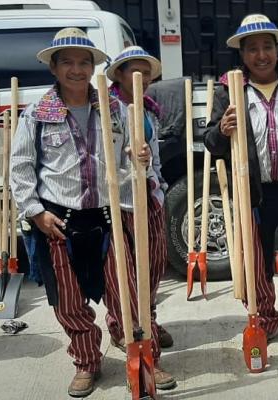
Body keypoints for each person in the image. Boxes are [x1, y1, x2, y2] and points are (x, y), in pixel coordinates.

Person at [10, 28, 175, 397]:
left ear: (94, 66)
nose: (76, 69)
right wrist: (36, 213)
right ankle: (87, 362)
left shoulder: (114, 108)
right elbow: (20, 168)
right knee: (69, 302)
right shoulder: (37, 113)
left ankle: (146, 356)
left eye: (84, 62)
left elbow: (134, 156)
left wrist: (140, 158)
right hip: (59, 222)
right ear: (53, 67)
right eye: (67, 62)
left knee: (129, 297)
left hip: (108, 219)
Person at [204, 14, 278, 347]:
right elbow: (212, 143)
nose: (261, 55)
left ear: (277, 48)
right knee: (254, 261)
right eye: (252, 48)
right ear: (242, 54)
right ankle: (264, 318)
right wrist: (221, 130)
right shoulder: (232, 90)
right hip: (251, 192)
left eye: (267, 47)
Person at [103, 46, 174, 351]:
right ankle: (130, 329)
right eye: (134, 72)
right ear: (118, 74)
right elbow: (100, 157)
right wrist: (127, 159)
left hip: (149, 199)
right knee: (125, 273)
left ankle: (148, 317)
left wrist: (158, 187)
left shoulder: (149, 110)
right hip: (118, 202)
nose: (141, 79)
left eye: (146, 73)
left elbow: (154, 158)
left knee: (154, 265)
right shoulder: (105, 109)